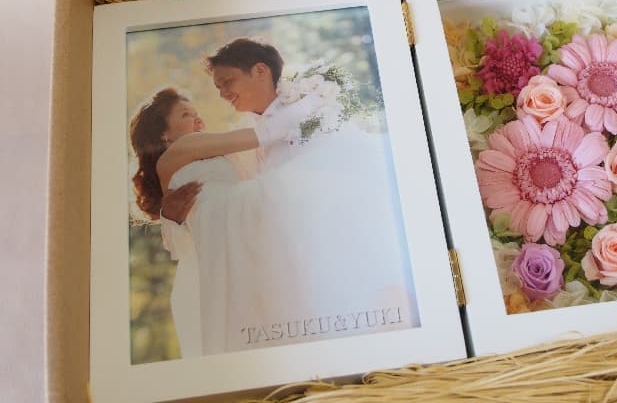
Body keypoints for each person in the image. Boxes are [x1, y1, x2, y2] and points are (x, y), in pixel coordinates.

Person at [131, 38, 418, 358]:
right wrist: (317, 96)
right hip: (227, 222)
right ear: (164, 134)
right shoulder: (181, 149)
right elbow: (264, 135)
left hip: (230, 228)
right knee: (315, 184)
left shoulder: (216, 150)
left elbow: (260, 150)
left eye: (197, 112)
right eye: (186, 115)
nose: (198, 120)